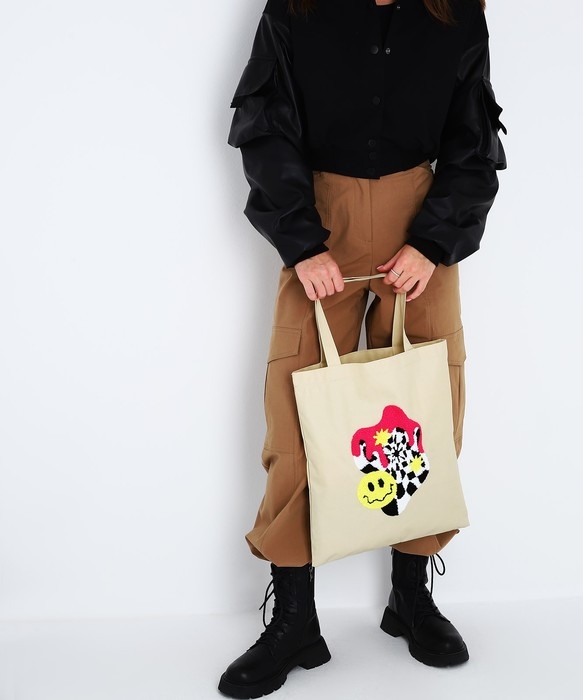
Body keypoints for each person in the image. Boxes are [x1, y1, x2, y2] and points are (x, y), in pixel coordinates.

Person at [218, 0, 506, 697]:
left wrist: (435, 241)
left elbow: (473, 135)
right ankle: (295, 619)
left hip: (421, 220)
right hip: (322, 219)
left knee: (425, 412)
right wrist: (301, 240)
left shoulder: (455, 13)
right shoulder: (296, 8)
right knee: (297, 417)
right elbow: (266, 122)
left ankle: (411, 597)